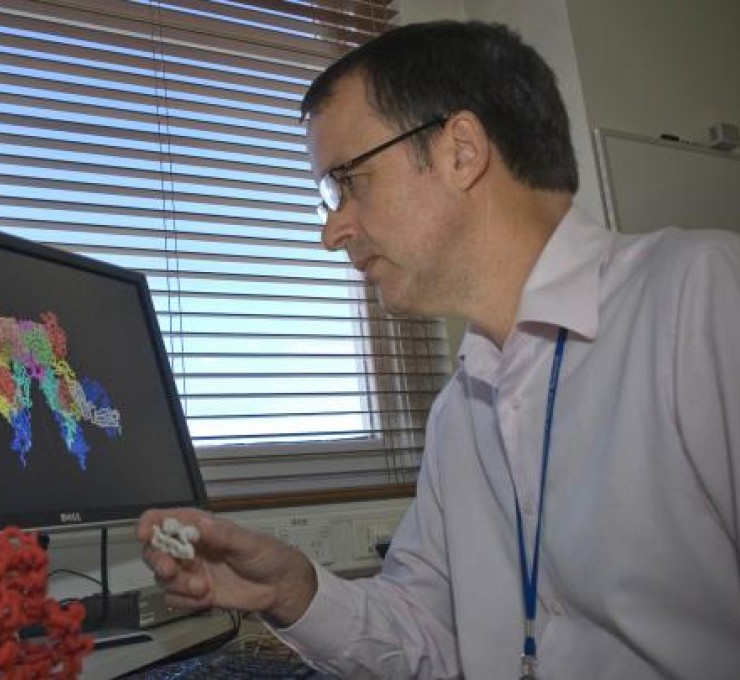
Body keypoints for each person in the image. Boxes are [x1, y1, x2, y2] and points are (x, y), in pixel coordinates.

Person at [137, 20, 740, 679]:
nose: (333, 231)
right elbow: (422, 638)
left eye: (348, 180)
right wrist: (289, 590)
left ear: (461, 151)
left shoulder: (704, 297)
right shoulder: (461, 410)